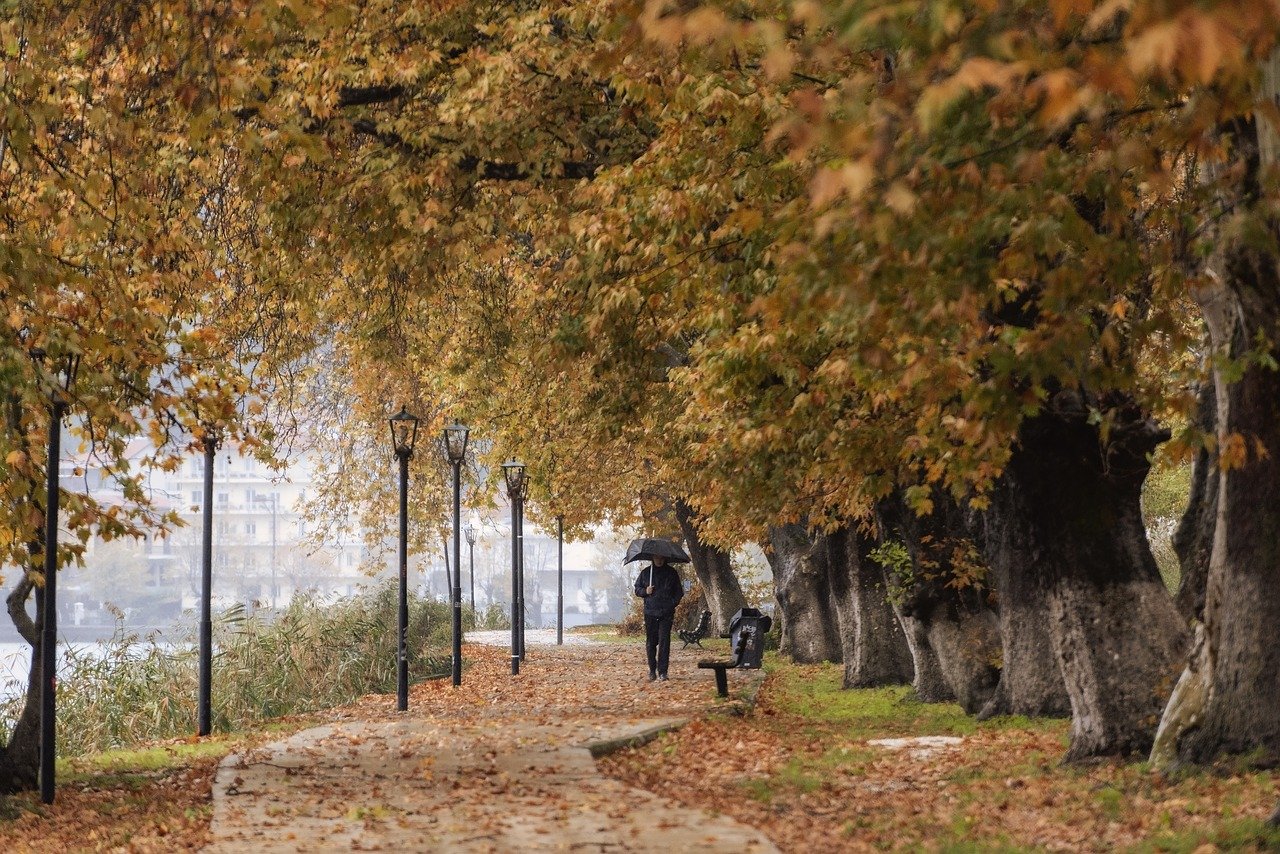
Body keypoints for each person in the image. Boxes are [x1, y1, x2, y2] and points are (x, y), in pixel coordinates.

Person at [634, 555, 683, 681]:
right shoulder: (646, 573)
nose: (659, 560)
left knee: (664, 642)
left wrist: (672, 603)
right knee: (651, 643)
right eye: (657, 558)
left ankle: (663, 672)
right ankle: (652, 670)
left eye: (661, 558)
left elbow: (679, 592)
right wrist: (646, 591)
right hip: (650, 612)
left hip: (666, 613)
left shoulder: (671, 573)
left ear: (665, 558)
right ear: (652, 558)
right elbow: (637, 589)